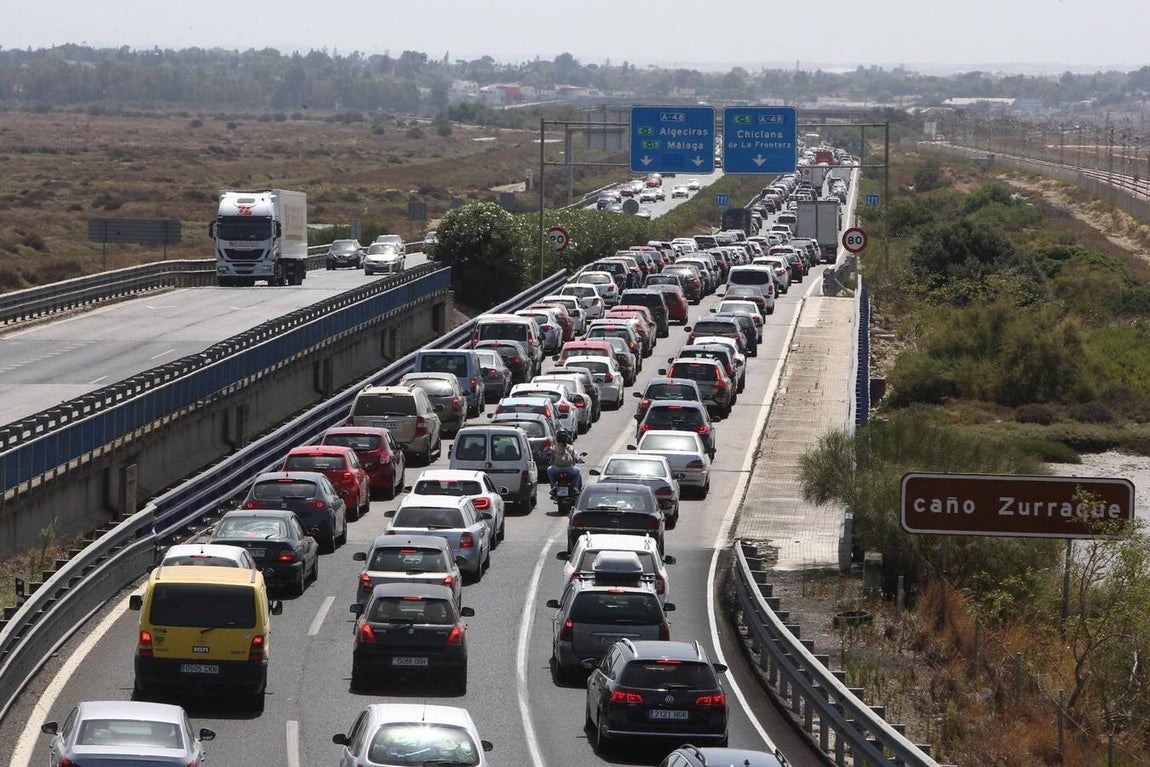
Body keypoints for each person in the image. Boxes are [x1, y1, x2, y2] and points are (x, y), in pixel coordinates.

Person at [547, 430, 583, 498]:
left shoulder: (554, 448)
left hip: (556, 469)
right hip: (569, 469)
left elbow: (552, 461)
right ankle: (575, 488)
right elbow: (573, 462)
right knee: (578, 471)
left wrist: (553, 463)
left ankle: (553, 487)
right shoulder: (571, 448)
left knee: (549, 470)